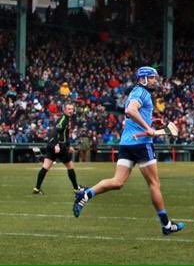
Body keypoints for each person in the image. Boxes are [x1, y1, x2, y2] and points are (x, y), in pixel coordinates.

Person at [73, 67, 185, 236]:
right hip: (141, 144)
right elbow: (130, 111)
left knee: (117, 182)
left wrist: (151, 122)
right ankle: (166, 225)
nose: (155, 81)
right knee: (154, 184)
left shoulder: (135, 92)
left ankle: (86, 194)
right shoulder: (143, 93)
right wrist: (148, 127)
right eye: (152, 78)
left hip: (126, 143)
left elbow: (134, 114)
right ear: (143, 79)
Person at [34, 102, 80, 195]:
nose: (71, 111)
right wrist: (56, 145)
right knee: (70, 166)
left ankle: (37, 188)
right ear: (65, 110)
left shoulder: (66, 119)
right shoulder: (63, 119)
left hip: (52, 145)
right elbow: (55, 131)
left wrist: (68, 146)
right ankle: (76, 189)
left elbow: (64, 135)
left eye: (72, 109)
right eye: (69, 109)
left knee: (45, 167)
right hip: (59, 146)